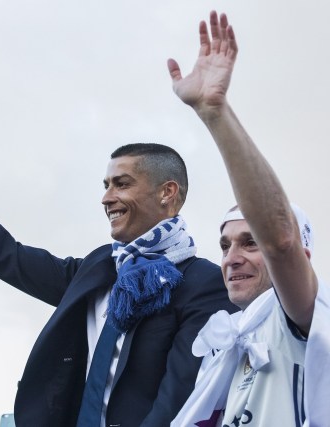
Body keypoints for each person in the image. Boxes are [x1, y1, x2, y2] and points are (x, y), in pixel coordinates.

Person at [0, 107, 236, 425]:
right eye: (106, 186)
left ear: (167, 192)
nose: (107, 198)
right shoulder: (98, 268)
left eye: (122, 184)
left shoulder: (205, 284)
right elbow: (6, 255)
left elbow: (181, 400)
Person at [167, 11, 330, 427]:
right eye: (225, 245)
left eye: (249, 242)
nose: (231, 258)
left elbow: (281, 242)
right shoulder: (226, 340)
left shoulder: (301, 317)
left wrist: (215, 114)